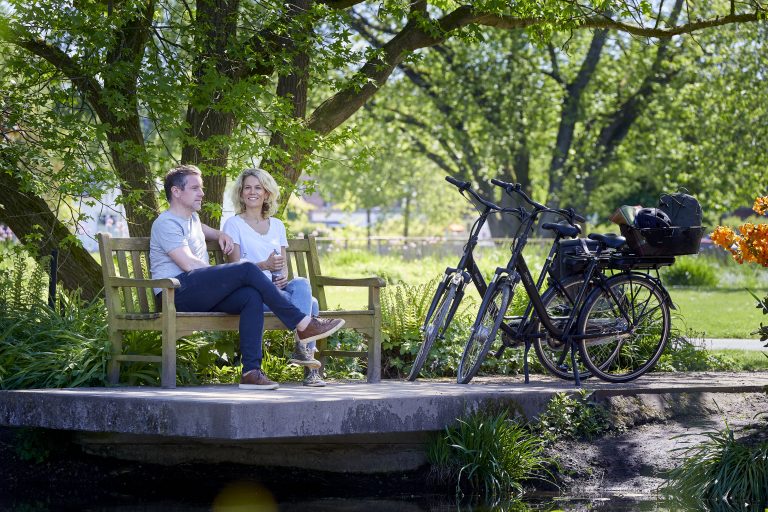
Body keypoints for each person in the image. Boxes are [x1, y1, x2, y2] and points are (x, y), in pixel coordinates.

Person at [149, 164, 344, 390]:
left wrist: (220, 234)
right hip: (174, 294)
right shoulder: (166, 223)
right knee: (245, 269)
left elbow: (207, 231)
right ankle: (303, 323)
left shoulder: (191, 220)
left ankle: (251, 372)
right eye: (195, 189)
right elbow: (188, 264)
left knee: (251, 296)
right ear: (176, 191)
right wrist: (225, 274)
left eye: (201, 188)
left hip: (199, 291)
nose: (202, 193)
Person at [223, 168, 326, 387]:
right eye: (247, 188)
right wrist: (264, 265)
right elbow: (234, 268)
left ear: (267, 193)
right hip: (254, 296)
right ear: (241, 193)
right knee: (312, 304)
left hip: (276, 291)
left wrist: (281, 276)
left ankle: (302, 348)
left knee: (301, 283)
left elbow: (283, 266)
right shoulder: (234, 224)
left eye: (258, 188)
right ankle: (309, 368)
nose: (252, 192)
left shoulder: (277, 225)